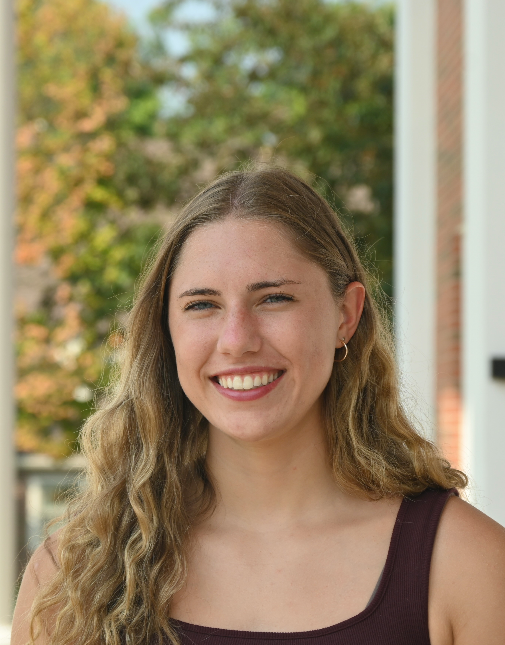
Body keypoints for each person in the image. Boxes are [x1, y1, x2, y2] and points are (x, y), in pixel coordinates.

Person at [12, 167, 505, 645]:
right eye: (202, 305)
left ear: (346, 315)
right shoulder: (71, 578)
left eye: (274, 299)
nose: (236, 340)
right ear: (167, 331)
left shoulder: (466, 566)